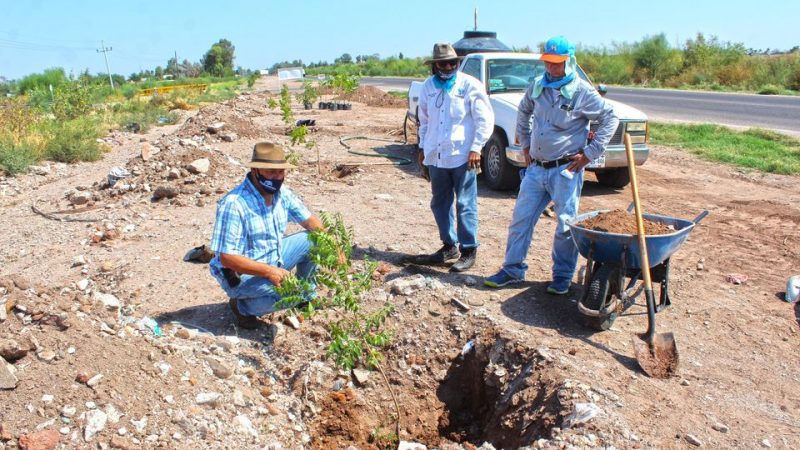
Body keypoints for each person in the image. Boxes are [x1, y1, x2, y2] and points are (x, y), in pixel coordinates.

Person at [484, 36, 619, 294]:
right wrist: (525, 144)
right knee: (520, 221)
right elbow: (523, 111)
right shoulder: (538, 86)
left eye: (557, 64)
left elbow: (609, 117)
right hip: (536, 170)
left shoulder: (581, 92)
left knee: (566, 226)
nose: (551, 69)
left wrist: (590, 154)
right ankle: (512, 269)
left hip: (565, 171)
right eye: (548, 63)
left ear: (569, 62)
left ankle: (562, 277)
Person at [209, 142, 323, 329]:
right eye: (270, 172)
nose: (277, 177)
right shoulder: (234, 204)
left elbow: (310, 221)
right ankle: (243, 307)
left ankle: (305, 298)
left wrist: (334, 246)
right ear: (255, 170)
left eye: (280, 172)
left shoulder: (282, 193)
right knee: (290, 295)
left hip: (273, 258)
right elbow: (227, 258)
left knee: (314, 240)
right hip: (241, 274)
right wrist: (271, 272)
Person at [410, 42, 494, 272]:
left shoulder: (469, 85)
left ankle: (469, 249)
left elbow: (484, 120)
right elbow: (424, 121)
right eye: (443, 63)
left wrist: (476, 148)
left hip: (463, 156)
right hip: (437, 156)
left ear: (457, 63)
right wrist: (423, 150)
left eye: (452, 62)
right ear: (435, 65)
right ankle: (449, 246)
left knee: (466, 203)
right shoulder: (428, 87)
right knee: (440, 202)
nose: (448, 66)